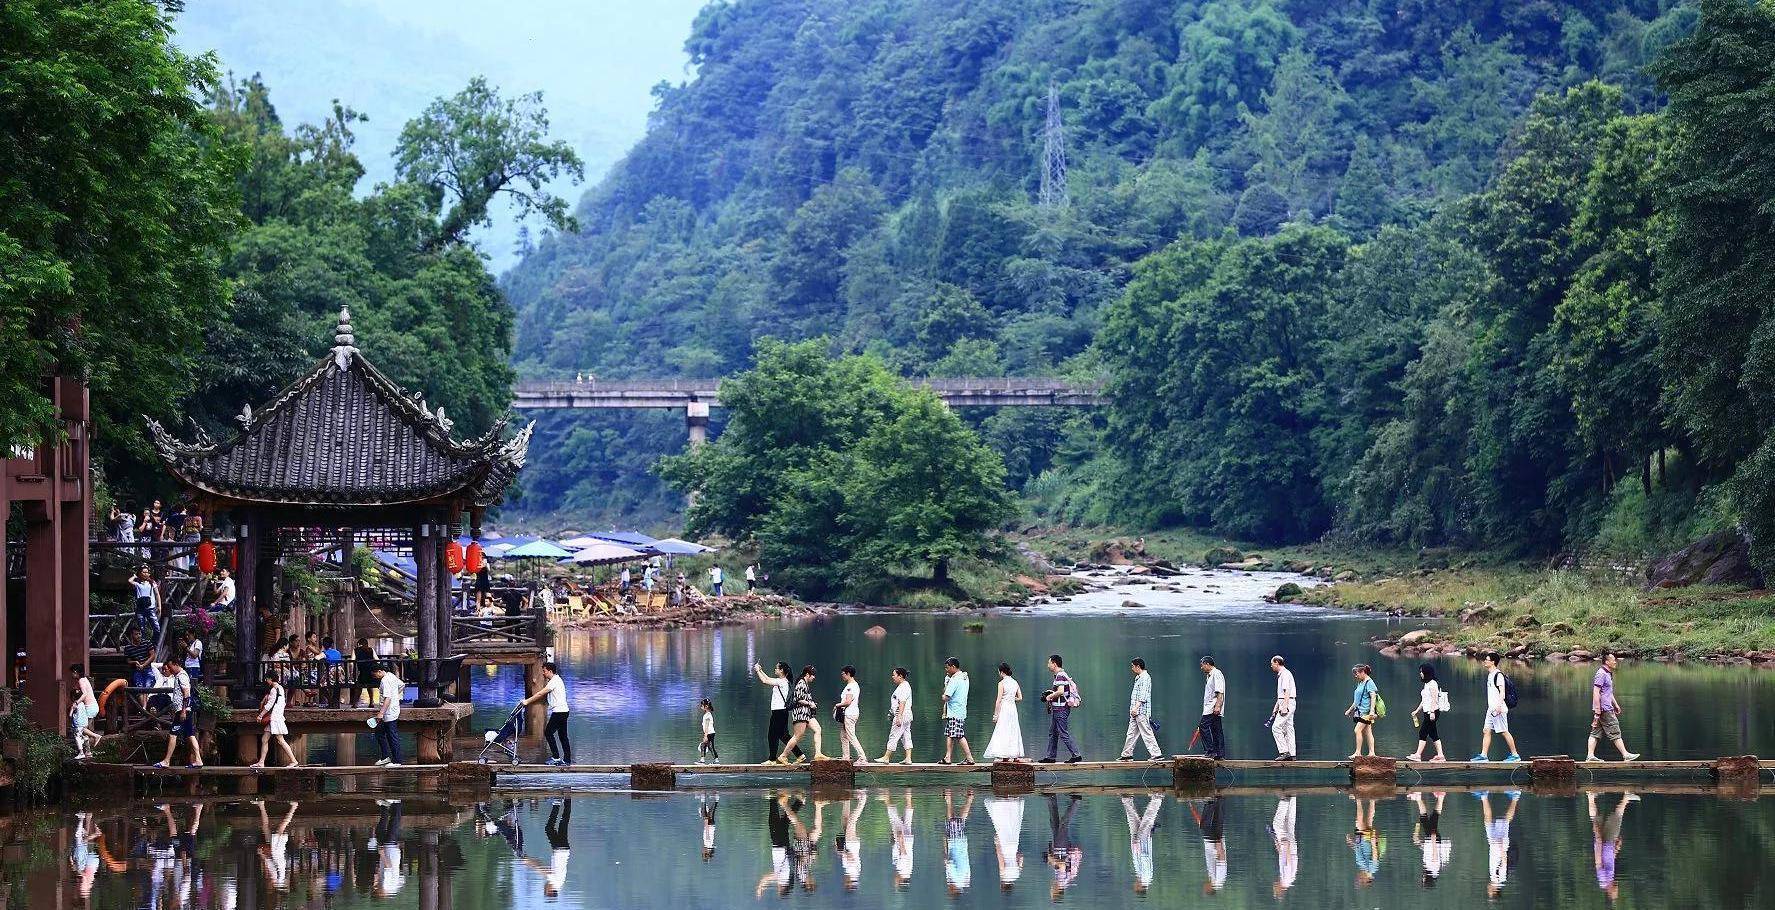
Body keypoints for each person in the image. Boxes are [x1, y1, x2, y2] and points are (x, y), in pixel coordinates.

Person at [1586, 652, 1640, 762]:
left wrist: (1615, 704)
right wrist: (1597, 709)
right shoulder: (1601, 674)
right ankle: (1625, 755)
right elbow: (1596, 691)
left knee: (1595, 733)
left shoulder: (1607, 673)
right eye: (1613, 660)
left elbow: (1608, 692)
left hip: (1605, 707)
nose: (1615, 662)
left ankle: (1590, 756)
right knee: (1615, 731)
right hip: (1604, 709)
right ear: (1607, 662)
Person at [1473, 651, 1522, 762]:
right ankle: (1483, 755)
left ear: (1493, 662)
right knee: (1486, 730)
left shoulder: (1498, 675)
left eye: (1487, 660)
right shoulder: (1490, 675)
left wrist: (1499, 707)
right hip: (1491, 709)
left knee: (1504, 731)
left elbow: (1502, 693)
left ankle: (1515, 755)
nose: (1485, 661)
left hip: (1498, 709)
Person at [520, 661, 572, 765]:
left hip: (559, 712)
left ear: (550, 671)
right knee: (563, 736)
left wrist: (527, 701)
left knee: (548, 732)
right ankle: (567, 760)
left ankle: (556, 757)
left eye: (544, 671)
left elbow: (540, 694)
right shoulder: (556, 680)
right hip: (564, 711)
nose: (543, 673)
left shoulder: (554, 681)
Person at [1588, 790, 1637, 901]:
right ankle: (1591, 797)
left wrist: (1598, 838)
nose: (1617, 889)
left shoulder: (1603, 880)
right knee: (1596, 819)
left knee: (1616, 818)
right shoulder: (1608, 880)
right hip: (1608, 844)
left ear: (1610, 892)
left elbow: (1598, 861)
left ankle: (1626, 797)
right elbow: (1609, 861)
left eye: (1615, 892)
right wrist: (1616, 849)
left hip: (1604, 842)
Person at [153, 659, 202, 768]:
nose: (170, 670)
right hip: (182, 710)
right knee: (190, 735)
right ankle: (198, 760)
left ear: (176, 665)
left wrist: (183, 711)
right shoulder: (178, 676)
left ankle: (166, 761)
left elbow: (186, 694)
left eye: (171, 667)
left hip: (183, 711)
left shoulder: (182, 676)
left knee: (173, 734)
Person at [520, 799, 572, 897]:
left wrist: (529, 860)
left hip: (562, 850)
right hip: (560, 849)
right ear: (550, 891)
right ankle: (557, 804)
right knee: (550, 828)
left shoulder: (558, 884)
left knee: (563, 823)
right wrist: (528, 861)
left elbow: (540, 865)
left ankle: (567, 800)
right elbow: (541, 868)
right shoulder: (555, 882)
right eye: (545, 889)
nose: (544, 886)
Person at [777, 665, 828, 763]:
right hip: (800, 713)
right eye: (813, 675)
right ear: (807, 674)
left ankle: (818, 754)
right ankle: (783, 756)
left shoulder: (805, 683)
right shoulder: (801, 683)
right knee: (798, 735)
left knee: (818, 729)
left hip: (807, 713)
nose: (814, 677)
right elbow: (798, 699)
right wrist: (810, 703)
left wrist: (812, 704)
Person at [755, 661, 803, 763]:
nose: (775, 669)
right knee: (783, 735)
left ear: (781, 670)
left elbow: (764, 681)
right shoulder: (783, 681)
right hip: (781, 712)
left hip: (779, 712)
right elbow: (768, 678)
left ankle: (772, 759)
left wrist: (757, 671)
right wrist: (761, 670)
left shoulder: (781, 682)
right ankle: (800, 755)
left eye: (777, 668)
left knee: (772, 735)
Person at [1039, 654, 1083, 763]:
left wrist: (1049, 696)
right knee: (1053, 733)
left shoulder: (1060, 675)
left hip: (1061, 709)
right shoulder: (1060, 675)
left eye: (1049, 663)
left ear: (1054, 664)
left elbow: (1061, 691)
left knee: (1063, 732)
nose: (1048, 665)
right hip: (1058, 709)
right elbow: (1061, 691)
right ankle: (1050, 757)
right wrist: (1051, 693)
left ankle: (1076, 755)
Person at [252, 669, 299, 768]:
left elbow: (269, 705)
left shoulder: (274, 690)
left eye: (267, 679)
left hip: (275, 718)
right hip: (275, 717)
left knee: (281, 740)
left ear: (270, 678)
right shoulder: (280, 688)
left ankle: (294, 761)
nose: (266, 681)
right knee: (264, 739)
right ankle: (261, 762)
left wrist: (260, 715)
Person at [1479, 789, 1520, 899]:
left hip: (1494, 844)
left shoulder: (1496, 878)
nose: (1487, 890)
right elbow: (1504, 861)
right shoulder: (1500, 877)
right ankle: (1515, 797)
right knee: (1503, 821)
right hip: (1499, 845)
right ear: (1494, 891)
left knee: (1489, 821)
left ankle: (1484, 796)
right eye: (1489, 892)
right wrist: (1501, 846)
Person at [1119, 657, 1162, 760]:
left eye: (1133, 666)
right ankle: (1127, 754)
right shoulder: (1139, 677)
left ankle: (1156, 754)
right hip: (1135, 712)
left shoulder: (1145, 678)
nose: (1132, 668)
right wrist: (1133, 710)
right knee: (1131, 734)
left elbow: (1143, 696)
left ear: (1138, 666)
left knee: (1146, 733)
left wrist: (1136, 708)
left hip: (1141, 711)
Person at [983, 662, 1025, 761]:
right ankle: (1015, 755)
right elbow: (1020, 698)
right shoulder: (1015, 682)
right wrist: (1011, 698)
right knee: (1013, 729)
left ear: (1002, 672)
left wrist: (995, 715)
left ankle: (1005, 755)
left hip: (1005, 708)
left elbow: (998, 700)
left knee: (1003, 730)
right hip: (1012, 709)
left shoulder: (1001, 683)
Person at [1410, 791, 1453, 886]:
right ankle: (1418, 797)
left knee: (1434, 818)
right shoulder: (1433, 868)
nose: (1422, 877)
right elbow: (1434, 856)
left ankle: (1440, 797)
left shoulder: (1433, 869)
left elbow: (1428, 853)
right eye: (1423, 879)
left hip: (1432, 841)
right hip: (1433, 841)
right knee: (1424, 818)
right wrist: (1433, 840)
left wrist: (1420, 844)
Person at [1044, 795, 1082, 900]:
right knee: (1063, 825)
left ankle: (1051, 798)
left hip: (1058, 848)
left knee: (1054, 823)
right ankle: (1076, 802)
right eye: (1052, 892)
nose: (1051, 889)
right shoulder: (1061, 881)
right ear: (1057, 891)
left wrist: (1051, 858)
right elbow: (1062, 865)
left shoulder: (1065, 881)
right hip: (1062, 848)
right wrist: (1051, 860)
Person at [1122, 795, 1162, 894]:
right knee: (1148, 820)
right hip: (1142, 842)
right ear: (1140, 888)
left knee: (1133, 820)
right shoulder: (1146, 877)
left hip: (1136, 844)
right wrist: (1138, 846)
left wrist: (1135, 845)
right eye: (1135, 887)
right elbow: (1145, 858)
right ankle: (1157, 798)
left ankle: (1127, 799)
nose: (1134, 885)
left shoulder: (1141, 877)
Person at [1408, 663, 1447, 762]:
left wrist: (1432, 712)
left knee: (1423, 732)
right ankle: (1441, 755)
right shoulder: (1427, 684)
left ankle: (1418, 755)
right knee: (1433, 734)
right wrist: (1417, 710)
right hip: (1427, 712)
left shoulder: (1433, 683)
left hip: (1432, 712)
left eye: (1422, 672)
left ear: (1427, 672)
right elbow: (1424, 700)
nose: (1420, 673)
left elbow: (1434, 699)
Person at [939, 657, 974, 764]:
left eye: (947, 668)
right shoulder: (964, 677)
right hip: (959, 710)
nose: (946, 670)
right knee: (950, 734)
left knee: (958, 735)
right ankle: (948, 757)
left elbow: (946, 696)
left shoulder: (955, 680)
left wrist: (946, 686)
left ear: (953, 667)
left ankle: (969, 758)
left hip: (955, 712)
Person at [986, 792, 1024, 890]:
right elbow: (1000, 857)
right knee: (1002, 824)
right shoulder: (1003, 874)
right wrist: (997, 844)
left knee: (1012, 824)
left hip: (1013, 845)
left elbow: (1021, 857)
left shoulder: (1017, 874)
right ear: (1002, 885)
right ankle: (1002, 801)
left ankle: (1011, 801)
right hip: (1005, 847)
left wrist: (1015, 854)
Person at [876, 667, 914, 764]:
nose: (892, 677)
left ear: (900, 676)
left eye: (894, 675)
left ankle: (886, 757)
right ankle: (908, 758)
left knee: (894, 735)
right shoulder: (903, 686)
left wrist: (899, 716)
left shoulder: (904, 687)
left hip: (902, 715)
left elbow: (902, 702)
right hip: (906, 714)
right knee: (906, 736)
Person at [372, 663, 404, 766]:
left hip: (389, 712)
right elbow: (402, 685)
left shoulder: (385, 681)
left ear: (379, 671)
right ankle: (385, 757)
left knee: (392, 735)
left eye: (375, 675)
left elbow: (388, 698)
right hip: (392, 709)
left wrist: (381, 713)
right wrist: (396, 695)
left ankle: (397, 761)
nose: (375, 677)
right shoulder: (391, 675)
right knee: (379, 732)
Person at [943, 789, 974, 895]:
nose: (948, 887)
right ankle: (949, 798)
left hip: (962, 844)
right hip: (954, 844)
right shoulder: (956, 879)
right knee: (951, 820)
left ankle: (969, 798)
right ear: (953, 890)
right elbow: (949, 863)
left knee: (961, 820)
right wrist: (944, 848)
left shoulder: (965, 879)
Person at [1345, 664, 1380, 758]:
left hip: (1366, 712)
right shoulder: (1360, 682)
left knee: (1357, 730)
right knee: (1368, 731)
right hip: (1360, 711)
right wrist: (1350, 710)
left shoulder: (1369, 682)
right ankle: (1372, 753)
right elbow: (1357, 700)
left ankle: (1358, 753)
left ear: (1363, 672)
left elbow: (1373, 696)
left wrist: (1372, 711)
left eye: (1356, 673)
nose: (1355, 676)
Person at [1195, 796, 1228, 893]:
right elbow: (1221, 860)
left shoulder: (1215, 881)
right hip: (1213, 843)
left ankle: (1220, 800)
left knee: (1217, 822)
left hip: (1213, 843)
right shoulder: (1218, 880)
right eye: (1204, 888)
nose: (1203, 886)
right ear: (1209, 889)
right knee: (1204, 825)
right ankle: (1210, 802)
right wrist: (1219, 845)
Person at [835, 665, 868, 763]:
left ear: (848, 674)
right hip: (850, 713)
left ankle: (862, 757)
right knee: (843, 736)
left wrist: (837, 705)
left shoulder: (850, 686)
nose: (842, 676)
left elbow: (848, 702)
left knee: (851, 736)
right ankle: (846, 756)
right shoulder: (853, 685)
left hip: (850, 714)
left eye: (843, 674)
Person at [70, 664, 102, 759]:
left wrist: (76, 702)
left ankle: (96, 736)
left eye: (72, 672)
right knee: (84, 730)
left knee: (81, 728)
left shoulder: (81, 680)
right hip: (91, 707)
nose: (71, 674)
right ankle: (88, 752)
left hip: (89, 707)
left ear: (76, 672)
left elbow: (84, 694)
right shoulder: (83, 680)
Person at [1197, 655, 1226, 759]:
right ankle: (1219, 753)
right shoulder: (1210, 675)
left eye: (1202, 665)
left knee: (1203, 726)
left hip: (1213, 707)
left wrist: (1218, 706)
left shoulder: (1216, 673)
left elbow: (1220, 692)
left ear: (1207, 664)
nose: (1201, 668)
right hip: (1211, 706)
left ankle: (1210, 751)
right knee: (1216, 729)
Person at [1269, 655, 1297, 760]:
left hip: (1287, 702)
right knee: (1289, 728)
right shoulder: (1284, 674)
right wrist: (1276, 707)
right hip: (1287, 701)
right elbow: (1281, 694)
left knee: (1276, 727)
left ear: (1277, 662)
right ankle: (1292, 754)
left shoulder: (1284, 674)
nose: (1271, 666)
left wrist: (1284, 707)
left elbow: (1287, 691)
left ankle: (1284, 752)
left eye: (1272, 664)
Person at [1271, 795, 1298, 899]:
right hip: (1289, 849)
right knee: (1276, 825)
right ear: (1279, 890)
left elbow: (1283, 859)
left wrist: (1277, 844)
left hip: (1290, 849)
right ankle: (1285, 800)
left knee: (1289, 823)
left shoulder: (1289, 881)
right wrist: (1286, 846)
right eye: (1275, 889)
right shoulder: (1285, 880)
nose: (1273, 886)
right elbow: (1288, 863)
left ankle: (1293, 796)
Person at [131, 566, 162, 643]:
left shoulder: (152, 582)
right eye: (143, 572)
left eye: (147, 572)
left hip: (151, 608)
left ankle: (153, 644)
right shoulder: (137, 583)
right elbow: (130, 581)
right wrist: (135, 576)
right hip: (140, 608)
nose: (145, 574)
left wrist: (159, 606)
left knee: (157, 628)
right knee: (142, 629)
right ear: (140, 573)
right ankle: (143, 644)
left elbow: (157, 594)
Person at [351, 637, 378, 708]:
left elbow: (352, 661)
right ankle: (371, 702)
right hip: (370, 673)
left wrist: (352, 672)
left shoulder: (355, 650)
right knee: (370, 686)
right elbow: (377, 659)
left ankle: (355, 703)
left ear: (359, 644)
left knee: (359, 687)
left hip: (362, 672)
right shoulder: (371, 649)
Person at [698, 698, 719, 763]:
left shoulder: (707, 715)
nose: (701, 707)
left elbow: (707, 725)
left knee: (706, 746)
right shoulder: (707, 714)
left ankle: (713, 760)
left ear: (706, 706)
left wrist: (705, 735)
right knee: (708, 746)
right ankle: (713, 760)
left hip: (709, 733)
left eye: (702, 705)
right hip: (710, 733)